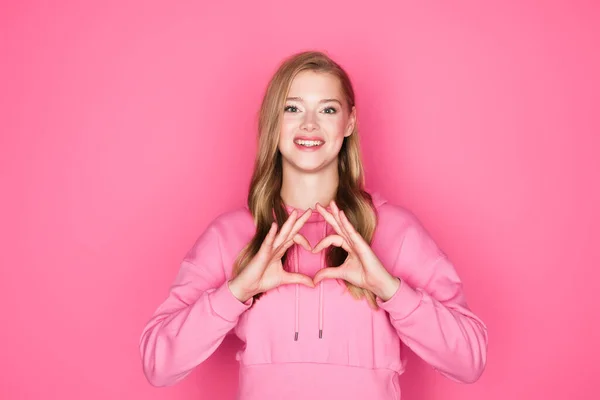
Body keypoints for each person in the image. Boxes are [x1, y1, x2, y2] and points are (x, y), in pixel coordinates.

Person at [139, 50, 488, 399]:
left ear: (349, 122)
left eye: (327, 109)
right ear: (272, 120)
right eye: (292, 108)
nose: (309, 124)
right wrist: (237, 292)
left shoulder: (396, 231)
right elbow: (158, 364)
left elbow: (469, 361)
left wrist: (390, 289)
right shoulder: (230, 235)